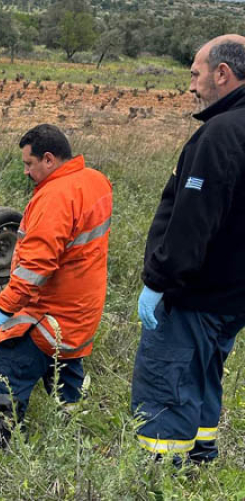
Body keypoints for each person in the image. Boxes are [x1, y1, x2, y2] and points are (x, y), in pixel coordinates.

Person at [132, 35, 245, 463]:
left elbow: (193, 220)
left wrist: (161, 280)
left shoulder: (221, 134)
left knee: (168, 384)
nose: (192, 86)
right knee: (204, 375)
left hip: (194, 296)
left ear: (223, 73)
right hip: (231, 300)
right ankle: (200, 460)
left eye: (196, 74)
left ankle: (159, 473)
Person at [0, 124, 112, 447]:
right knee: (67, 379)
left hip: (49, 314)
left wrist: (4, 308)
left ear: (48, 159)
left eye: (28, 164)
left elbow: (36, 267)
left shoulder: (56, 197)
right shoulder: (95, 182)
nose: (26, 172)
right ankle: (72, 442)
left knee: (10, 367)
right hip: (81, 312)